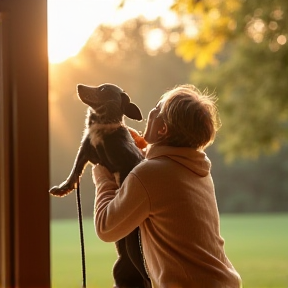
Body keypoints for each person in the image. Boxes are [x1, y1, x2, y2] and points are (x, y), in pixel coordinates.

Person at [92, 84, 242, 288]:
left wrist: (103, 178)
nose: (151, 112)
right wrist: (138, 154)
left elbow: (106, 228)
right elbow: (162, 175)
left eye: (157, 109)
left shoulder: (149, 175)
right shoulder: (196, 168)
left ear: (163, 129)